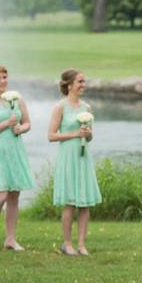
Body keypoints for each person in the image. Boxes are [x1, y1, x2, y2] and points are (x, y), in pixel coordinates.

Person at [0, 65, 34, 254]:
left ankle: (11, 239)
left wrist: (21, 128)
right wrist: (6, 123)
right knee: (0, 195)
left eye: (4, 77)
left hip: (14, 150)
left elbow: (27, 123)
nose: (2, 81)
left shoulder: (17, 99)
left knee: (14, 196)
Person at [47, 69, 101, 256]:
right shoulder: (60, 107)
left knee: (84, 203)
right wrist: (74, 134)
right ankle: (67, 243)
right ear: (69, 85)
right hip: (68, 157)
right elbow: (51, 135)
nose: (83, 85)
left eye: (84, 82)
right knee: (70, 203)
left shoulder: (86, 108)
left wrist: (88, 134)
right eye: (80, 82)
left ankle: (82, 244)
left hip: (83, 157)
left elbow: (91, 135)